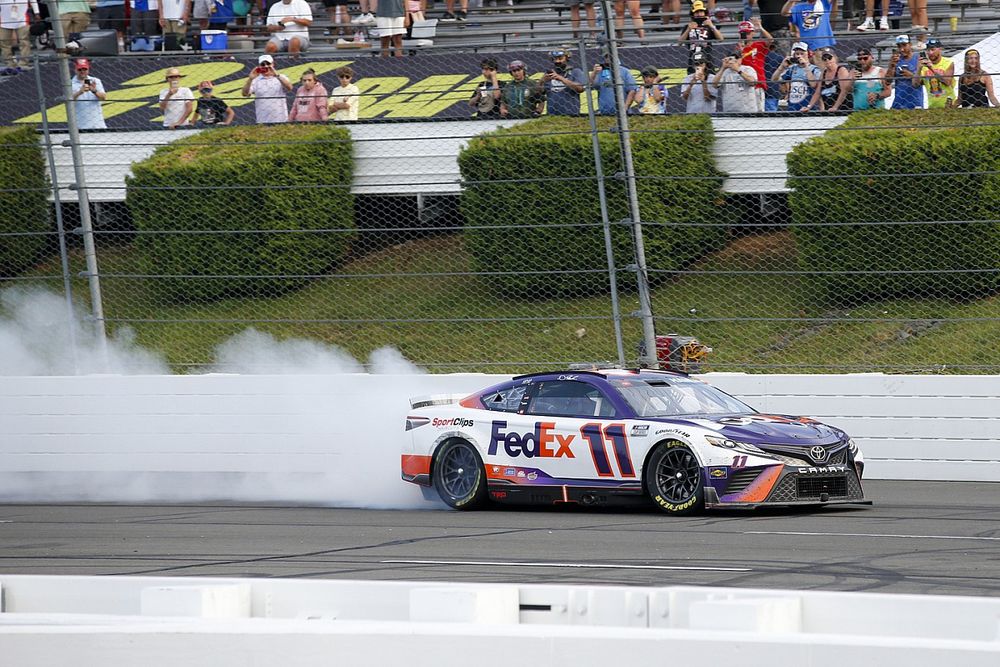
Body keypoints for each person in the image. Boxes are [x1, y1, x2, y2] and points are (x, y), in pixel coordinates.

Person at [242, 53, 292, 123]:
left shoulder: (281, 77)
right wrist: (250, 79)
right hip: (262, 121)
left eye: (268, 64)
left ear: (273, 64)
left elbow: (289, 88)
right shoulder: (255, 80)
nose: (266, 66)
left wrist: (277, 75)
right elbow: (245, 94)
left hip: (281, 120)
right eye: (263, 64)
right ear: (259, 66)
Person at [772, 40, 820, 111]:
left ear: (809, 54)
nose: (799, 56)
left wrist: (806, 66)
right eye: (797, 54)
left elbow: (813, 85)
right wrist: (782, 66)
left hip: (808, 107)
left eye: (802, 53)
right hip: (792, 107)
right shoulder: (792, 69)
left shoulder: (814, 69)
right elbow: (774, 79)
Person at [738, 18, 773, 111]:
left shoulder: (759, 45)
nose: (746, 36)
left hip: (758, 83)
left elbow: (770, 40)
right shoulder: (736, 48)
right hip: (743, 85)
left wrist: (760, 28)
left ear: (753, 33)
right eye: (743, 33)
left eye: (748, 33)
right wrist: (740, 51)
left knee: (759, 111)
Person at [679, 0, 721, 72]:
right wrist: (688, 29)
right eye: (697, 12)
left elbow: (720, 39)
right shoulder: (688, 26)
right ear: (693, 14)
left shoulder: (709, 26)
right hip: (693, 60)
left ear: (705, 13)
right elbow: (680, 43)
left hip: (708, 59)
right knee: (693, 80)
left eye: (701, 12)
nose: (699, 14)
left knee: (709, 80)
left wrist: (711, 26)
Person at [543, 49, 586, 116]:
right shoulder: (549, 74)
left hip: (571, 115)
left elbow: (580, 89)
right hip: (551, 115)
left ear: (567, 58)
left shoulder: (576, 72)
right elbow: (539, 93)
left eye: (560, 58)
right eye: (555, 58)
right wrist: (542, 81)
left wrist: (560, 78)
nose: (557, 61)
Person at [886, 34, 922, 109]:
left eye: (904, 45)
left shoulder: (919, 59)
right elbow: (887, 82)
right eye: (899, 46)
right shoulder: (896, 60)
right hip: (898, 103)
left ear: (910, 45)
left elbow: (923, 82)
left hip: (915, 102)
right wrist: (891, 66)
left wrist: (911, 76)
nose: (902, 49)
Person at [69, 58, 107, 129]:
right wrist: (80, 92)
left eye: (85, 69)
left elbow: (104, 98)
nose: (82, 71)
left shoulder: (95, 81)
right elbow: (68, 101)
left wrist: (94, 91)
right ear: (75, 70)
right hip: (80, 126)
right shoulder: (69, 83)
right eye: (80, 69)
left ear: (88, 69)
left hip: (98, 124)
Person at [0, 0, 39, 70]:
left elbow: (33, 1)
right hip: (4, 21)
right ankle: (10, 64)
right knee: (4, 43)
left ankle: (23, 63)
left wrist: (37, 13)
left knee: (24, 42)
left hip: (22, 20)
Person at [917, 37, 954, 109]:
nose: (930, 52)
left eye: (933, 49)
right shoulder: (923, 65)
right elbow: (915, 84)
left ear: (940, 49)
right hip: (932, 106)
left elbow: (947, 82)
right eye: (928, 50)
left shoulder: (949, 63)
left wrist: (931, 68)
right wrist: (919, 69)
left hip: (948, 105)